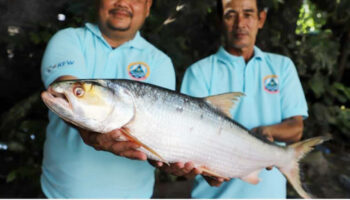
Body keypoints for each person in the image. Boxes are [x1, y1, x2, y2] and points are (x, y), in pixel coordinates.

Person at [156, 0, 308, 198]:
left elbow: (296, 128)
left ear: (260, 19)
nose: (240, 23)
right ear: (220, 20)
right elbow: (189, 140)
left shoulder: (282, 67)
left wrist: (266, 132)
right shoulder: (199, 71)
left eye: (248, 14)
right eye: (230, 15)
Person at [40, 0, 175, 198]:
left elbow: (159, 133)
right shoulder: (68, 39)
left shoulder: (160, 62)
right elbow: (64, 87)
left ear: (147, 7)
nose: (122, 3)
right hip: (59, 194)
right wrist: (91, 133)